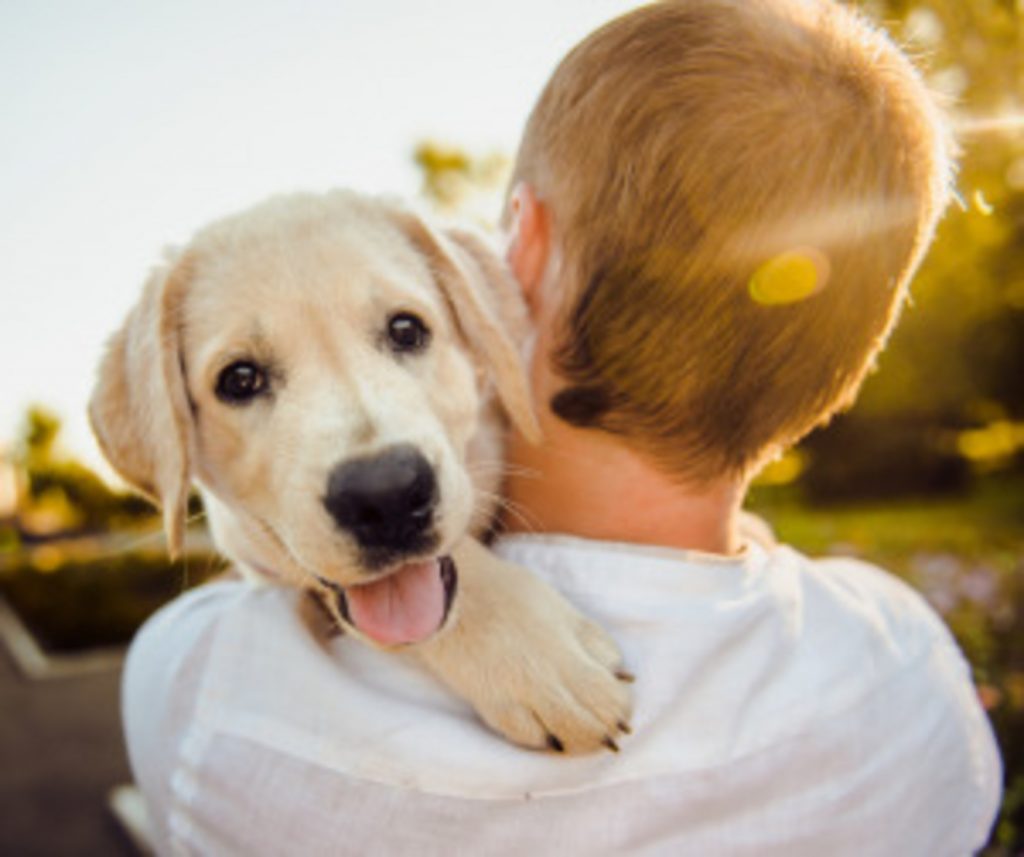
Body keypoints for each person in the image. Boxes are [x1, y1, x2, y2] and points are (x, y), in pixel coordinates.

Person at [122, 1, 1002, 854]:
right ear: (845, 355)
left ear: (520, 251)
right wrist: (469, 600)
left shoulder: (206, 691)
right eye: (243, 378)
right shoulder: (911, 668)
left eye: (404, 331)